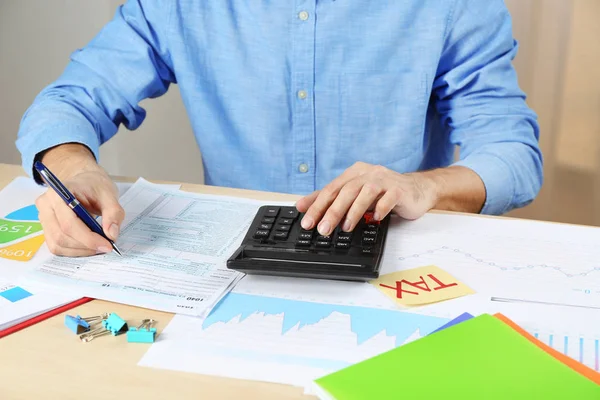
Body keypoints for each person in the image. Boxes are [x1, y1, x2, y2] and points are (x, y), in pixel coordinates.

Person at [16, 0, 543, 257]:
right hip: (231, 267)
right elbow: (72, 98)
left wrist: (422, 185)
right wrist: (72, 166)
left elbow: (512, 152)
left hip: (394, 260)